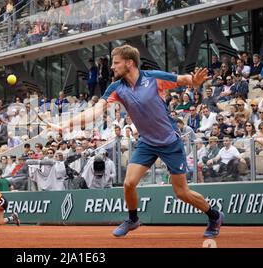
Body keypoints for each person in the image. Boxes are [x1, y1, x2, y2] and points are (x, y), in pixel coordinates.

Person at [50, 45, 224, 238]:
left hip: (169, 142)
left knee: (182, 193)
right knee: (129, 183)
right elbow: (96, 111)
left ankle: (214, 215)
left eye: (116, 63)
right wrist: (67, 124)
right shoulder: (116, 88)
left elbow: (184, 80)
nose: (113, 67)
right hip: (147, 143)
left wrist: (195, 81)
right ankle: (133, 219)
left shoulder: (153, 77)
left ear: (129, 63)